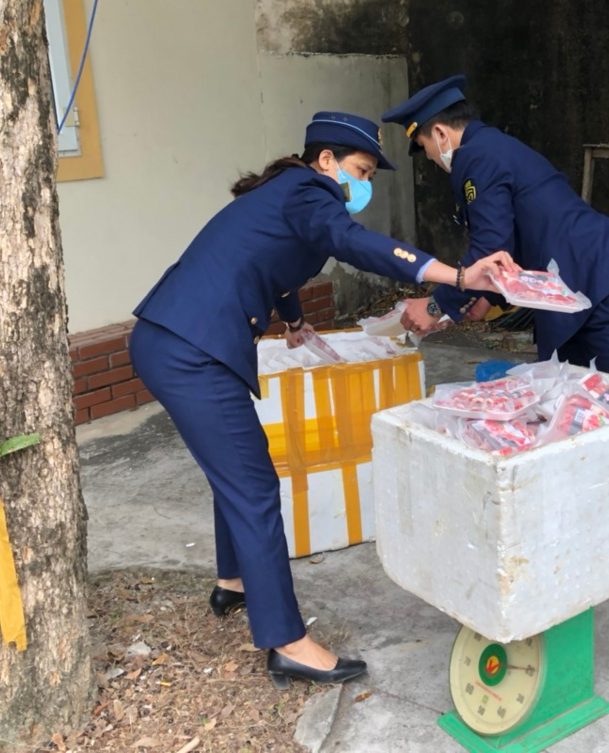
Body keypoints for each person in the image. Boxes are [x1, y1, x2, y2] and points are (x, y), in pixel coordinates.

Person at [129, 111, 516, 688]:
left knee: (235, 470)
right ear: (327, 160)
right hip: (192, 351)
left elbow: (277, 267)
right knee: (254, 487)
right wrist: (457, 277)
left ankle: (233, 582)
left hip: (178, 340)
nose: (364, 184)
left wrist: (293, 323)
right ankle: (287, 642)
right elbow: (355, 244)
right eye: (361, 170)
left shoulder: (287, 194)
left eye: (370, 176)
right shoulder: (310, 192)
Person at [382, 79, 609, 619]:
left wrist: (438, 303)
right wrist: (484, 299)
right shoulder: (494, 150)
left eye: (424, 146)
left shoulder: (476, 158)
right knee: (573, 420)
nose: (429, 158)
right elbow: (514, 249)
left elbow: (490, 246)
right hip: (574, 299)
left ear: (441, 133)